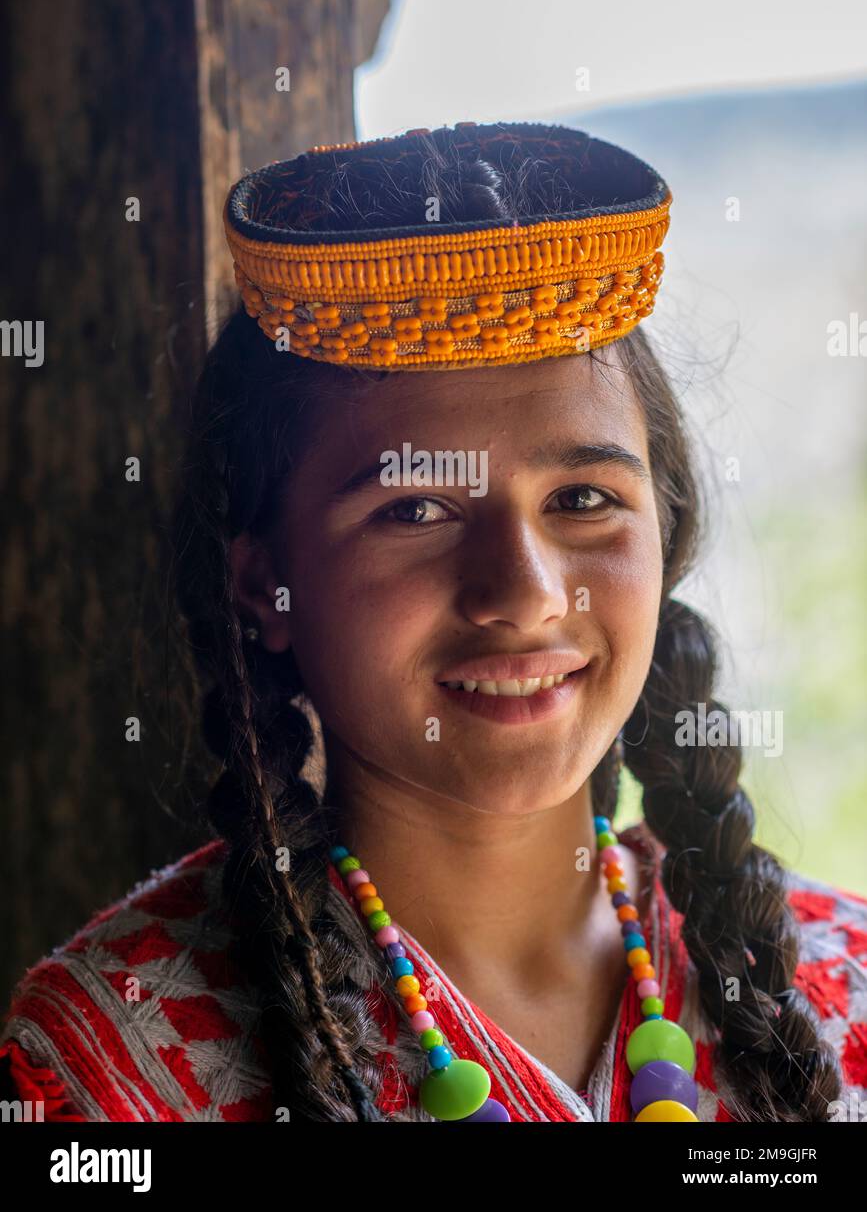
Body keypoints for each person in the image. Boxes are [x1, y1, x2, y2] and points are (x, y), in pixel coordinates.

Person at [2, 122, 865, 1122]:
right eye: (413, 510)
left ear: (664, 533)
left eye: (583, 499)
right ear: (262, 583)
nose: (528, 590)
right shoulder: (109, 1069)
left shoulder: (837, 993)